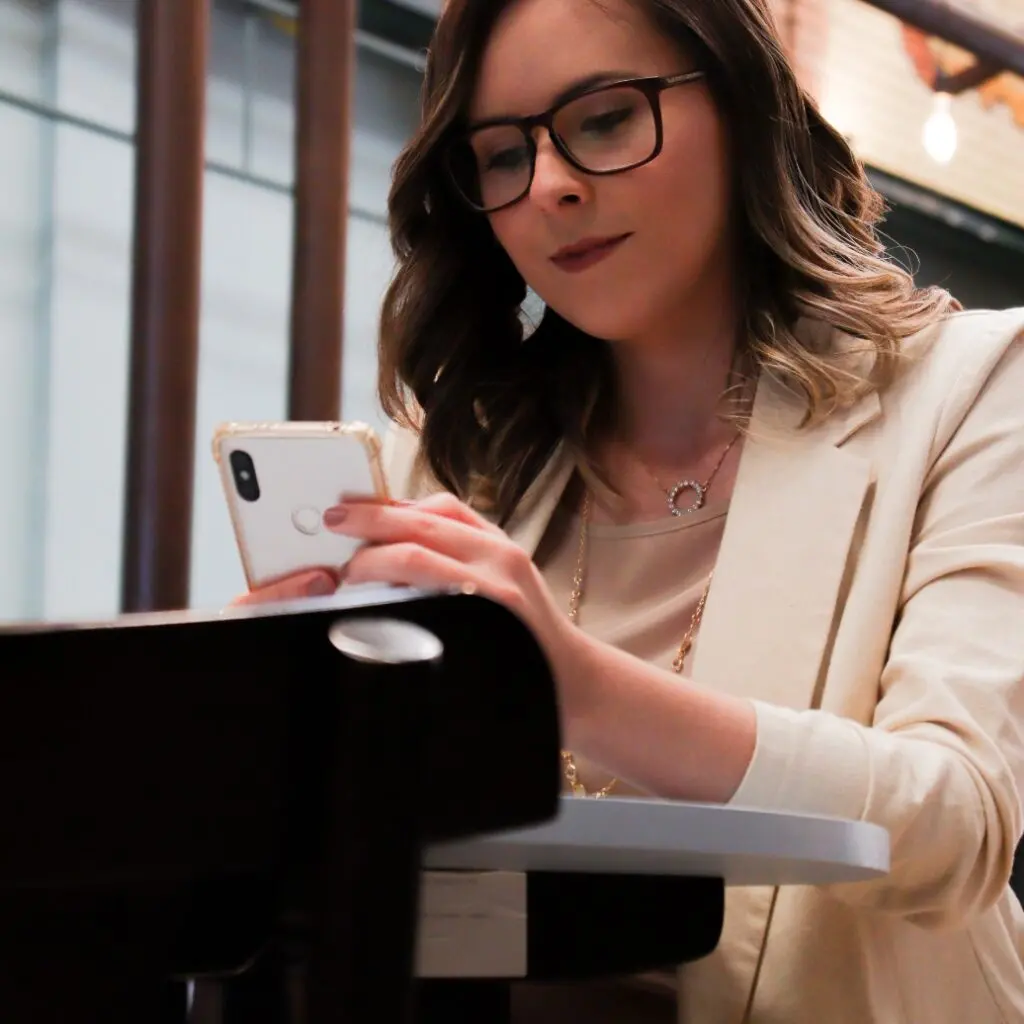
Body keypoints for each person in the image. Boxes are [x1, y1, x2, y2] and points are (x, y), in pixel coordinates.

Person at [236, 0, 1024, 1019]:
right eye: (502, 154)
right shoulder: (462, 463)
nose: (551, 186)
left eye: (604, 120)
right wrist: (273, 715)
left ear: (742, 110)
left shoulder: (969, 387)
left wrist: (572, 683)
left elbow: (954, 825)